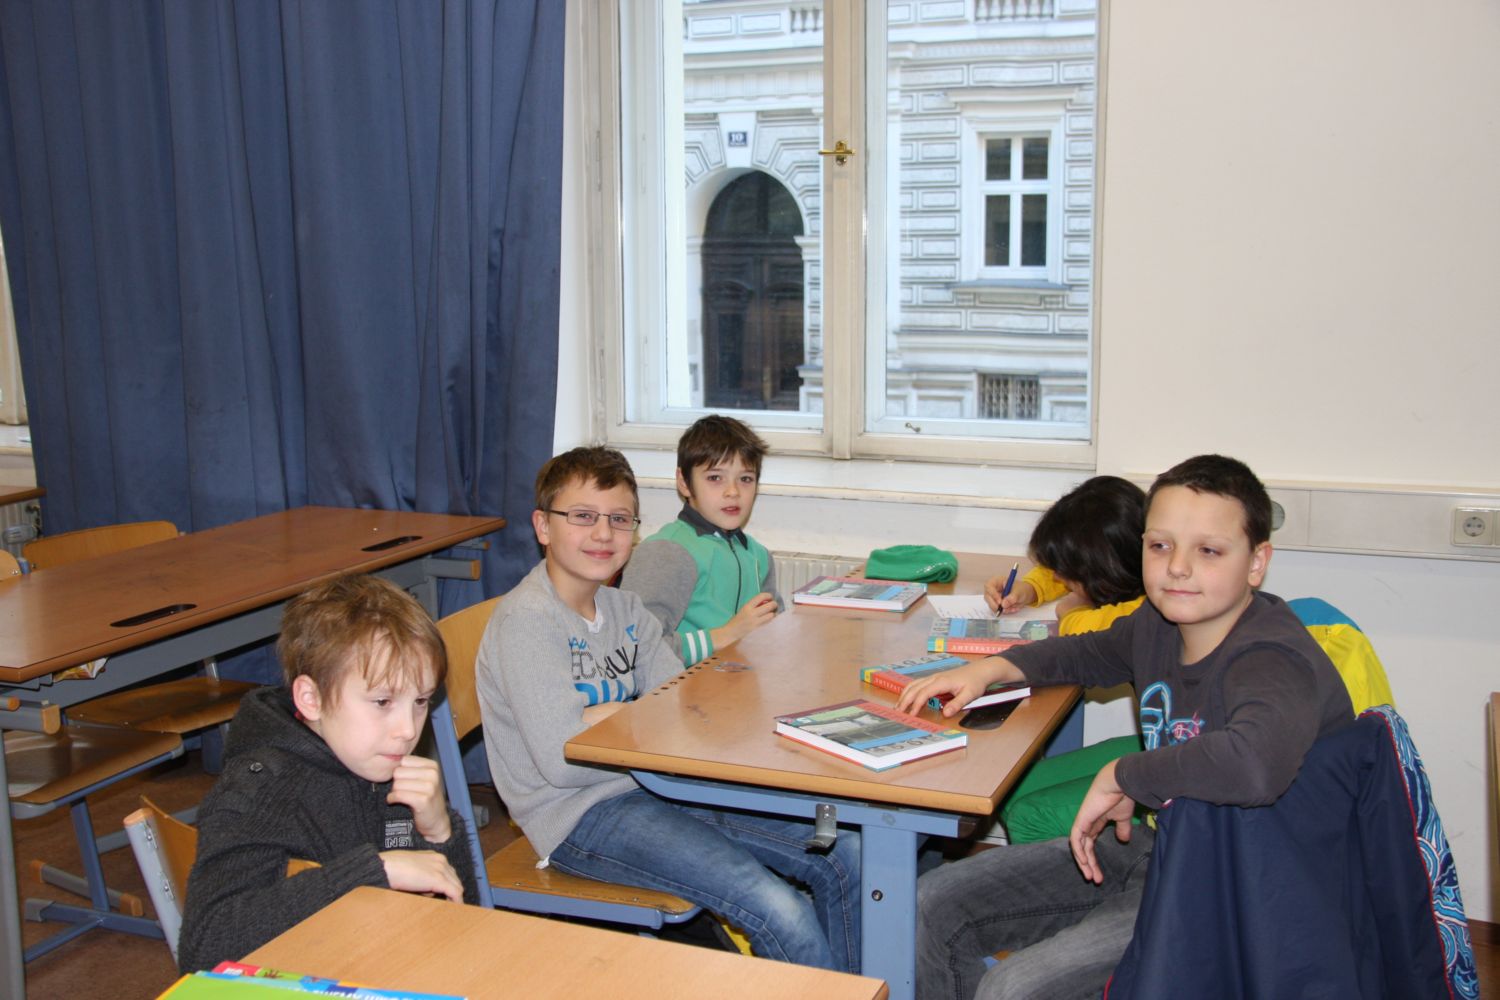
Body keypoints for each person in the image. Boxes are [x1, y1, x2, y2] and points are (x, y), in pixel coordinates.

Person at [897, 454, 1354, 1000]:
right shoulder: (1157, 625)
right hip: (1163, 846)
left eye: (1208, 551)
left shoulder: (1271, 657)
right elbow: (1084, 652)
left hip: (1243, 888)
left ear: (1257, 563)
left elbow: (1254, 764)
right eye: (1160, 546)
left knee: (1012, 988)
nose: (1177, 567)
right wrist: (991, 669)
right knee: (931, 903)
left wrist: (1124, 774)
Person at [475, 445, 861, 971]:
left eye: (619, 519)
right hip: (581, 815)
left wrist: (606, 718)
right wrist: (634, 714)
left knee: (847, 855)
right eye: (583, 516)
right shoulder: (527, 622)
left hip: (661, 783)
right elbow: (563, 762)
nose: (603, 534)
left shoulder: (626, 608)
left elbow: (677, 708)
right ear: (543, 526)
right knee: (780, 909)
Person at [178, 575, 477, 972]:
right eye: (383, 701)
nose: (408, 730)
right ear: (311, 698)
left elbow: (462, 923)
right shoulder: (259, 790)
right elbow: (205, 945)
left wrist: (439, 832)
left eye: (420, 701)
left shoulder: (387, 765)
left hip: (385, 963)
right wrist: (374, 872)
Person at [620, 414, 780, 665]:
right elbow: (633, 649)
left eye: (745, 479)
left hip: (740, 683)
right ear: (684, 482)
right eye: (715, 478)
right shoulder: (666, 552)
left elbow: (774, 632)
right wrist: (726, 635)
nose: (733, 492)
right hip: (679, 687)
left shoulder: (758, 555)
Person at [983, 475, 1146, 635]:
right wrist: (1030, 588)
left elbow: (1088, 631)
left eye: (1065, 572)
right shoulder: (1126, 564)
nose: (1057, 576)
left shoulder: (1146, 611)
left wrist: (1070, 611)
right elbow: (1065, 565)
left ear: (1102, 573)